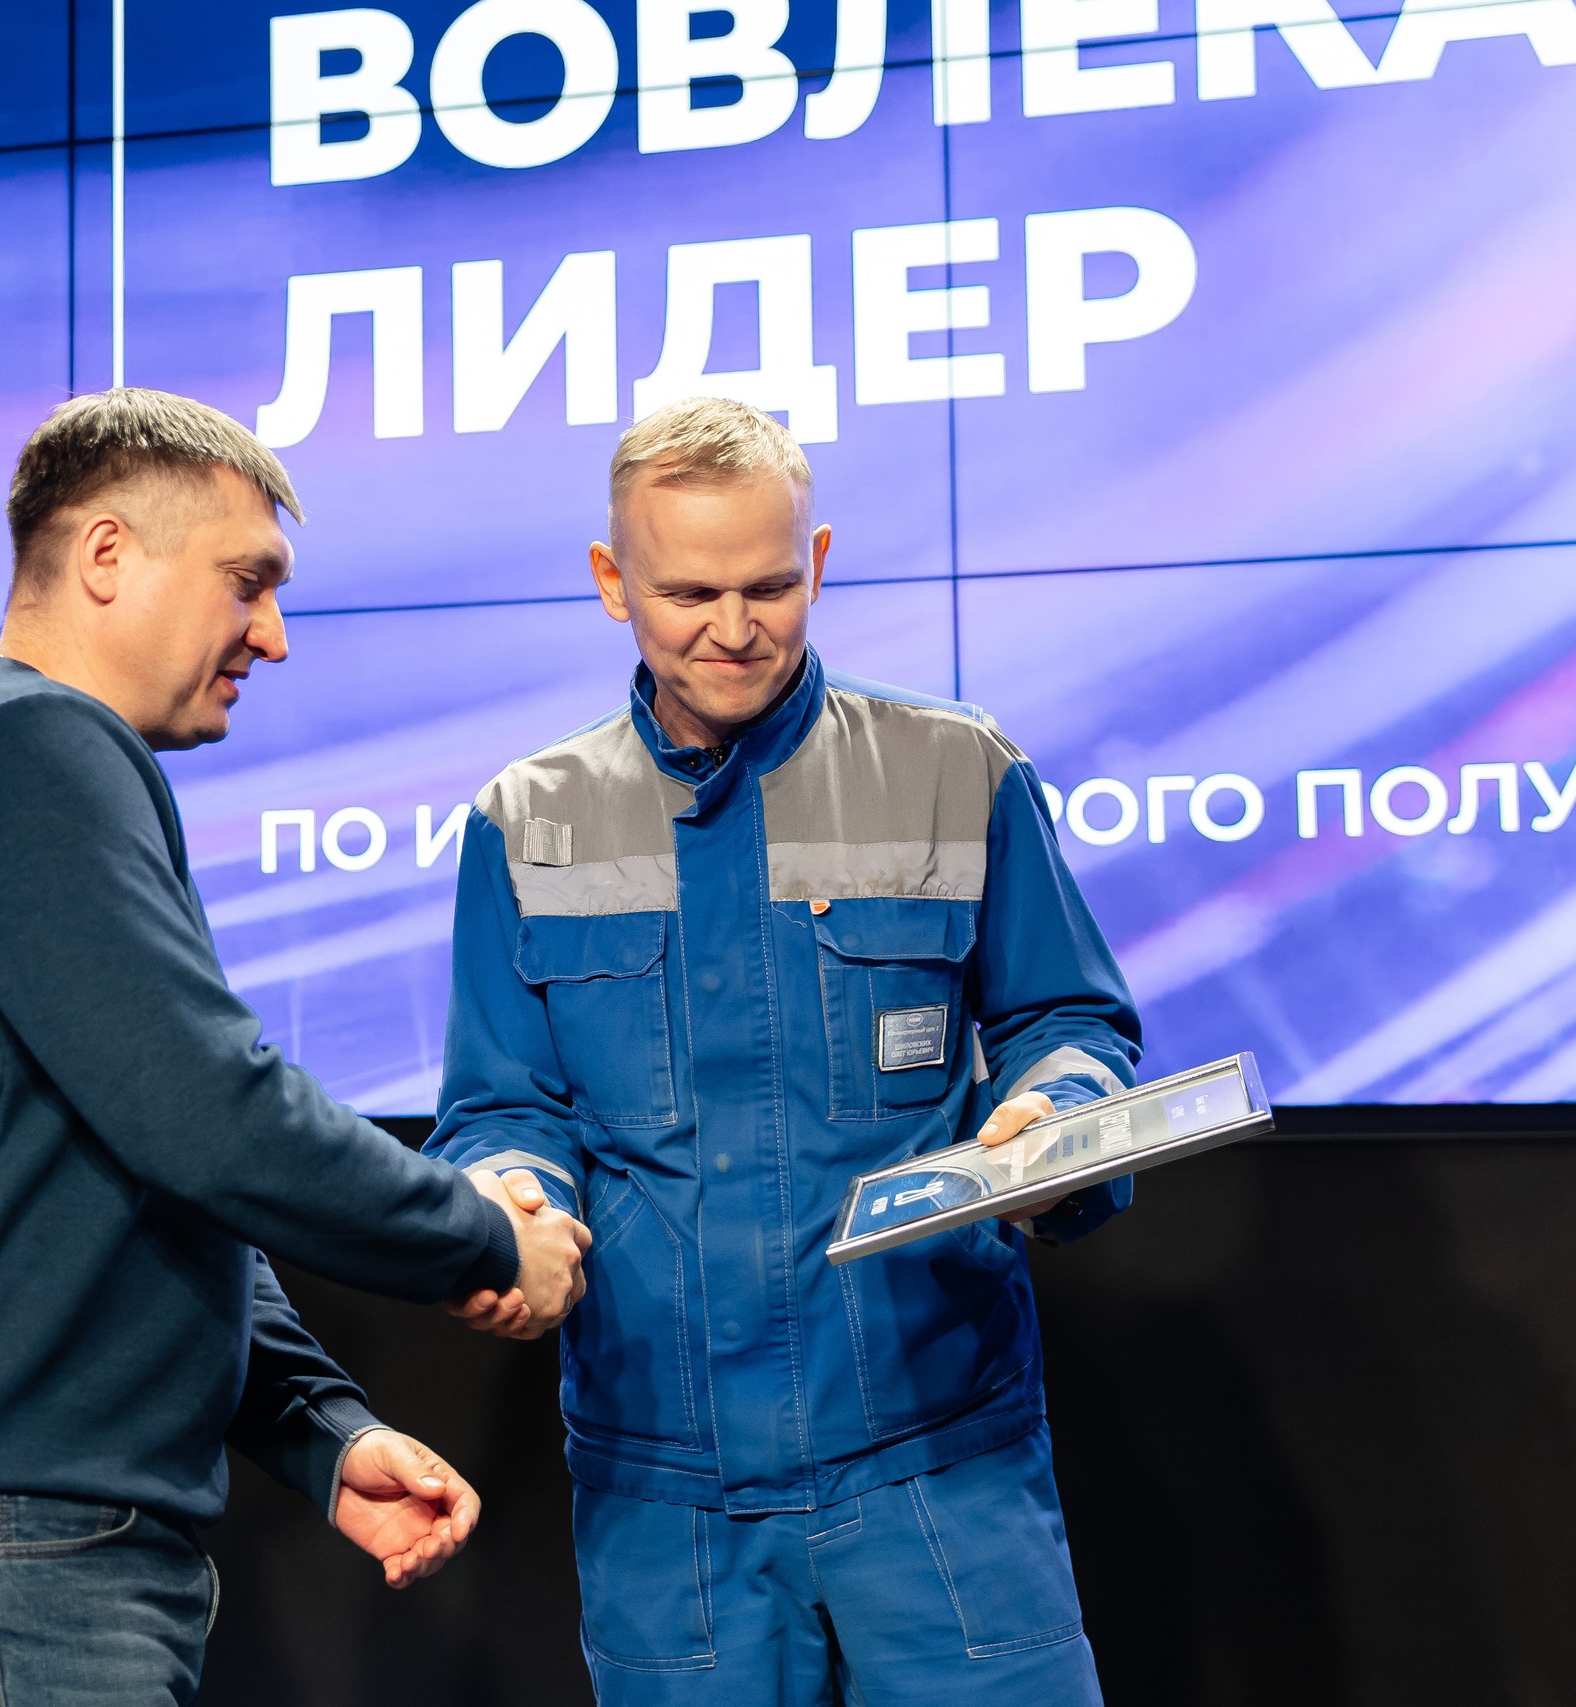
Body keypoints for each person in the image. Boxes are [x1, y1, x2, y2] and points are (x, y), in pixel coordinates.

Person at [0, 388, 590, 1707]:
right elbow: (209, 1114)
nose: (274, 635)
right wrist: (480, 1237)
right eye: (247, 581)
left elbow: (157, 1169)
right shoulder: (20, 746)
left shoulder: (6, 755)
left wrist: (321, 1434)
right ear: (106, 555)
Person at [426, 397, 1144, 1705]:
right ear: (612, 582)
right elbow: (503, 1107)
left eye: (767, 586)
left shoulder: (960, 768)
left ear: (815, 561)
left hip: (941, 1462)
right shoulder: (522, 823)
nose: (734, 627)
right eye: (688, 593)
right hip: (668, 1501)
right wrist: (509, 1198)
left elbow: (1069, 1024)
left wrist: (1057, 1114)